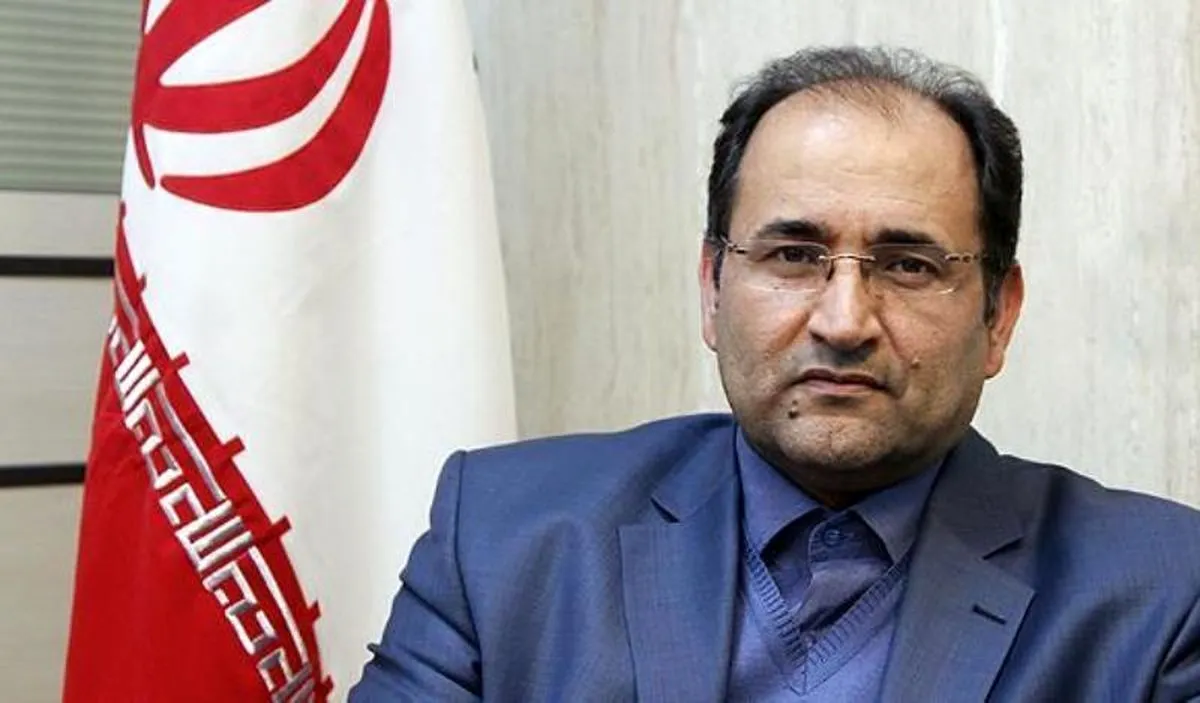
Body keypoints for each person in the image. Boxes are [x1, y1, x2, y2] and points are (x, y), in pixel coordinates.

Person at [348, 46, 1200, 702]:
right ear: (713, 289)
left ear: (997, 315)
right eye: (794, 254)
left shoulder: (1159, 592)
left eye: (907, 265)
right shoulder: (504, 538)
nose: (844, 320)